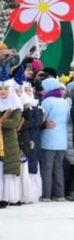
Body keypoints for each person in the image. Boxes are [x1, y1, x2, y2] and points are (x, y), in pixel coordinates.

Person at [40, 77, 70, 202]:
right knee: (58, 167)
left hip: (49, 137)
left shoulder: (47, 101)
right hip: (62, 139)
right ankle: (59, 194)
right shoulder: (64, 102)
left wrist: (45, 123)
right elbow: (68, 120)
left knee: (47, 167)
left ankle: (46, 194)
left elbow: (42, 118)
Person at [0, 75, 23, 207]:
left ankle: (7, 197)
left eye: (5, 89)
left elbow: (14, 122)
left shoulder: (15, 106)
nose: (2, 91)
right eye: (0, 89)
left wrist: (1, 122)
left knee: (7, 172)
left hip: (8, 142)